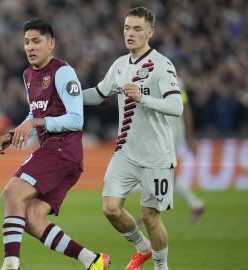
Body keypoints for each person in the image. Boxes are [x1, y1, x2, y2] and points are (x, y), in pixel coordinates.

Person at [0, 18, 110, 270]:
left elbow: (76, 119)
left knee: (11, 194)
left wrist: (34, 123)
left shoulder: (63, 71)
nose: (30, 47)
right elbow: (34, 114)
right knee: (32, 218)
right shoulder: (27, 75)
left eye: (36, 41)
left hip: (62, 148)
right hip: (62, 155)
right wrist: (13, 133)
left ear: (51, 43)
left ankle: (11, 265)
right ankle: (94, 261)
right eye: (26, 42)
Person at [83, 6, 183, 270]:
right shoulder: (119, 65)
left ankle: (161, 266)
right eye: (127, 27)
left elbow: (177, 107)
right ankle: (143, 249)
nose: (130, 33)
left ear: (150, 32)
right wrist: (68, 97)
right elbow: (99, 93)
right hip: (125, 152)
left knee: (151, 217)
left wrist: (143, 98)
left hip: (156, 156)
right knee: (110, 208)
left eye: (137, 28)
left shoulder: (162, 65)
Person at [168, 86, 205, 224]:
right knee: (165, 174)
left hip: (171, 134)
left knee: (162, 172)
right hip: (163, 134)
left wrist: (190, 138)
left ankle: (150, 211)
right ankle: (196, 204)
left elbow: (186, 109)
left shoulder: (174, 80)